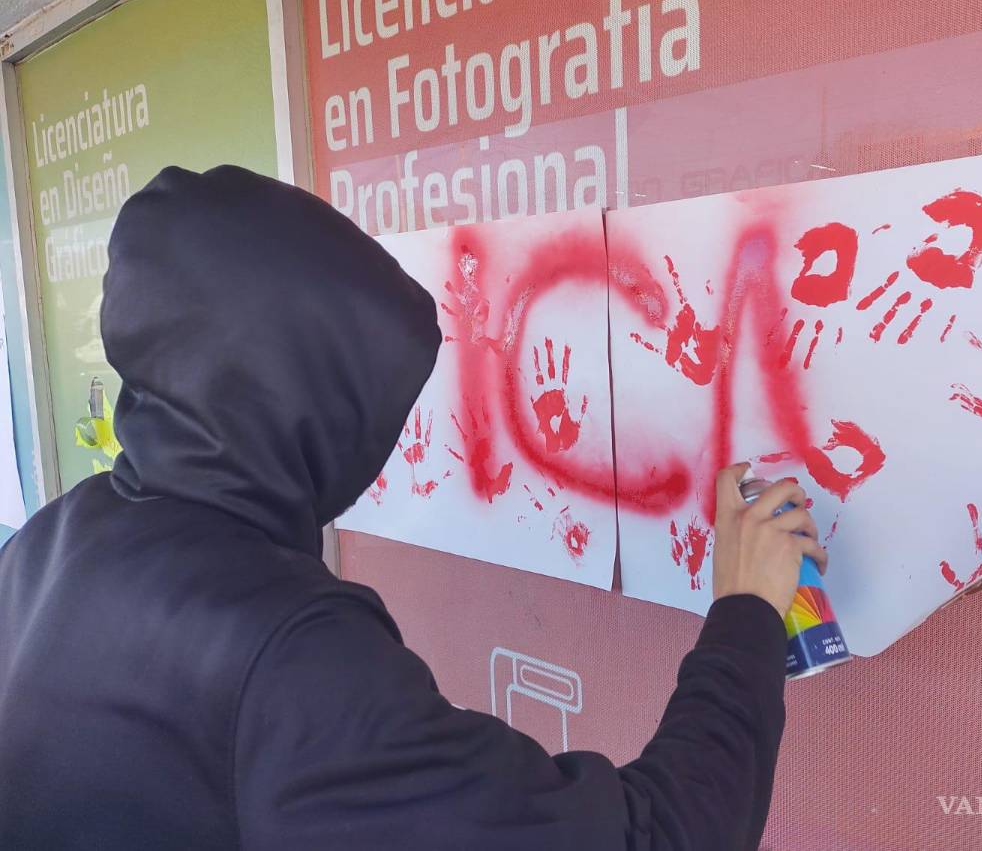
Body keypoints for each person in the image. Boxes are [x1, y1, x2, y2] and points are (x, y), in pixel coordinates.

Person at [0, 165, 825, 850]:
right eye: (380, 405)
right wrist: (747, 610)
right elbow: (659, 837)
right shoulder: (291, 657)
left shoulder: (49, 546)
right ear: (319, 404)